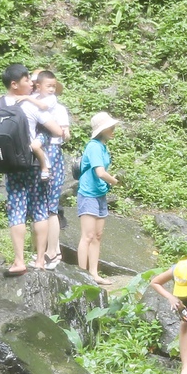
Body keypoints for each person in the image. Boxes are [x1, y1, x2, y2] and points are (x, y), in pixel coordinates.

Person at [0, 64, 48, 275]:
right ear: (14, 84)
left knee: (17, 210)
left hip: (9, 164)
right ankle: (39, 261)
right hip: (32, 162)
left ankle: (19, 261)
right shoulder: (30, 104)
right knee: (39, 209)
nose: (31, 83)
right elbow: (51, 128)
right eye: (27, 80)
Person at [30, 69, 73, 269]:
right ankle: (41, 252)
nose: (51, 89)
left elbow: (66, 134)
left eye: (53, 86)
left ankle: (53, 252)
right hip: (35, 154)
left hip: (53, 152)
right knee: (38, 205)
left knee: (51, 207)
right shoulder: (30, 102)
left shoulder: (56, 106)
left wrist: (60, 131)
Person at [77, 112, 120, 277]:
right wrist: (113, 181)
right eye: (110, 127)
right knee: (87, 236)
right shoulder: (94, 146)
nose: (113, 129)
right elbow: (100, 172)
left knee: (97, 236)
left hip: (100, 194)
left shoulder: (102, 146)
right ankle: (82, 275)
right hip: (88, 195)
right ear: (102, 130)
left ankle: (94, 273)